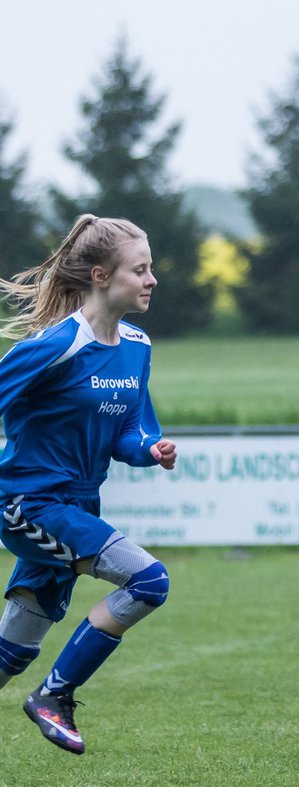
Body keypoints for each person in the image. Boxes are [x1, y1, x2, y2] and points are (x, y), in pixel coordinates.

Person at [0, 214, 177, 754]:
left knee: (12, 651)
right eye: (140, 270)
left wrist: (150, 448)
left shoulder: (137, 346)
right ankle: (55, 695)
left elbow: (131, 428)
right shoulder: (57, 345)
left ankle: (44, 685)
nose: (151, 280)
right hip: (28, 505)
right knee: (149, 582)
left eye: (151, 269)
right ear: (101, 276)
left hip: (77, 504)